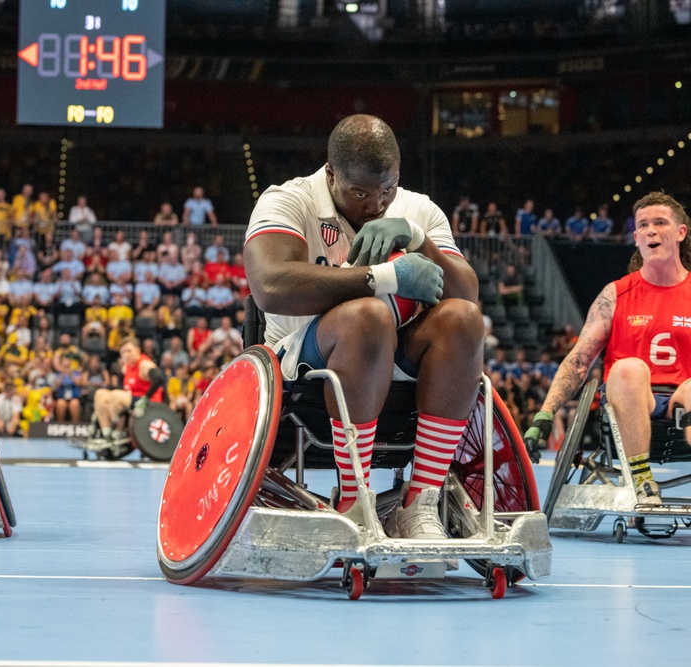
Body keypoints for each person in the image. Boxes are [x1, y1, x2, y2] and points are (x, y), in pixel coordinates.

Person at [243, 114, 482, 539]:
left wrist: (416, 237)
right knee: (369, 314)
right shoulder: (287, 200)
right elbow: (270, 286)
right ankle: (355, 502)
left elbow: (466, 293)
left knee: (463, 319)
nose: (376, 205)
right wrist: (382, 278)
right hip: (303, 362)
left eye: (387, 189)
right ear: (331, 174)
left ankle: (419, 504)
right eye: (361, 193)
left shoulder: (418, 210)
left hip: (396, 358)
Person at [524, 192, 691, 506]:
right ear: (636, 237)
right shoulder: (615, 295)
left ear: (681, 232)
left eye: (660, 222)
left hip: (681, 404)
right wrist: (544, 415)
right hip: (627, 401)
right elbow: (579, 362)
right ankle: (642, 482)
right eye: (644, 225)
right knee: (630, 368)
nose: (651, 230)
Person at [90, 337, 167, 442]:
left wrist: (145, 398)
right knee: (100, 394)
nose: (126, 354)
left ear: (138, 350)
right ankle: (106, 433)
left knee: (116, 396)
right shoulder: (126, 367)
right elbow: (122, 388)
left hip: (148, 401)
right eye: (123, 352)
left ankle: (117, 431)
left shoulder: (144, 364)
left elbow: (159, 378)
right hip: (130, 399)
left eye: (129, 351)